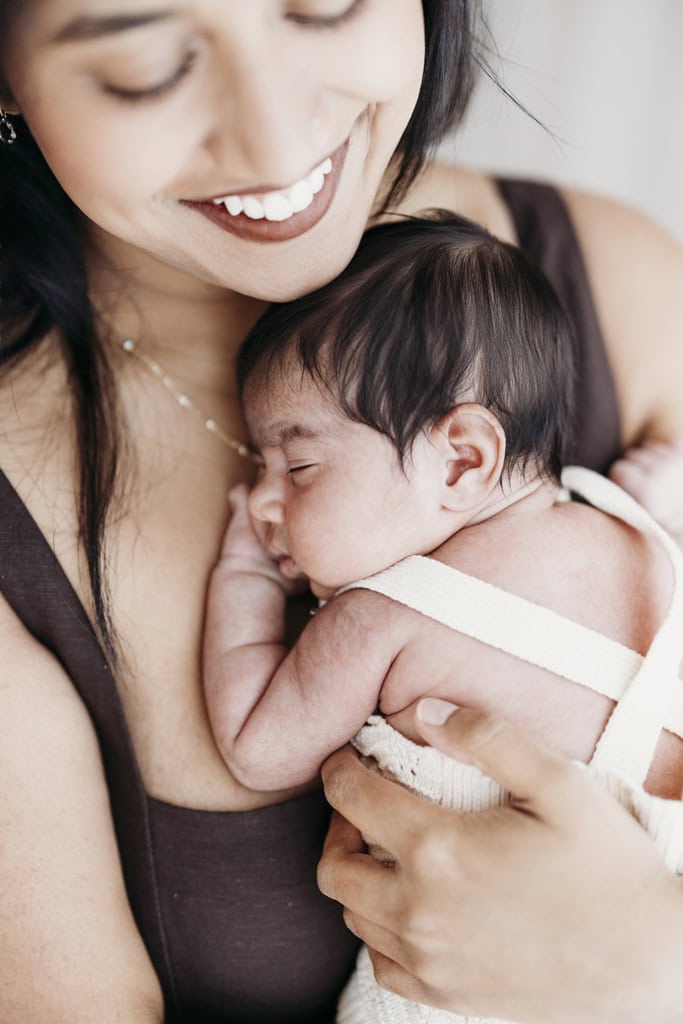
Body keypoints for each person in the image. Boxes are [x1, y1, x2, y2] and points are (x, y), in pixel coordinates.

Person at [0, 1, 682, 1022]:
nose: (277, 137)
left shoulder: (622, 282)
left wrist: (647, 966)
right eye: (146, 65)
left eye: (320, 4)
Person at [202, 212, 683, 1022]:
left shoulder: (378, 618)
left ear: (462, 458)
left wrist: (242, 574)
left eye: (299, 464)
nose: (264, 498)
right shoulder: (634, 536)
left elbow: (257, 745)